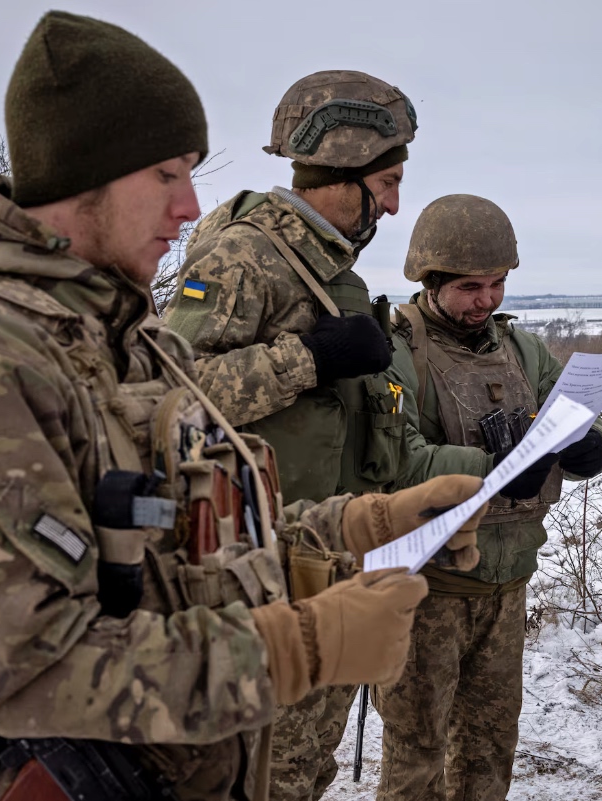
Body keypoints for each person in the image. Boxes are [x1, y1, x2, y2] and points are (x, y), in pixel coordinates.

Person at [0, 13, 486, 800]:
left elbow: (198, 546)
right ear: (89, 171)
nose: (191, 208)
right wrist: (300, 649)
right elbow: (31, 670)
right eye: (165, 174)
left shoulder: (121, 335)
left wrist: (369, 522)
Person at [161, 69, 417, 801]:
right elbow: (174, 392)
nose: (395, 206)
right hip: (262, 572)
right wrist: (309, 358)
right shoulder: (246, 255)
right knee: (269, 771)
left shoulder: (328, 264)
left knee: (306, 766)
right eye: (388, 182)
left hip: (322, 551)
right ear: (341, 171)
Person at [373, 194, 602, 801]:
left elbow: (574, 411)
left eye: (498, 284)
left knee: (489, 745)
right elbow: (396, 460)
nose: (486, 300)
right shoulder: (398, 351)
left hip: (507, 584)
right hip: (426, 590)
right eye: (470, 287)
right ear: (430, 281)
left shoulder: (523, 350)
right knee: (415, 752)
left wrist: (593, 446)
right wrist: (493, 470)